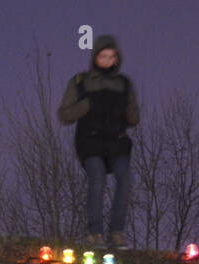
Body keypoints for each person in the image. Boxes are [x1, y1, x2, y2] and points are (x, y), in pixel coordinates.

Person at [58, 34, 139, 250]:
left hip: (117, 141)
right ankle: (95, 233)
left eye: (111, 56)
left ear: (117, 58)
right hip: (90, 140)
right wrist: (89, 104)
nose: (107, 60)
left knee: (125, 178)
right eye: (103, 55)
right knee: (97, 177)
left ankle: (117, 233)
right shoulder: (81, 82)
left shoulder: (124, 84)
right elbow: (64, 115)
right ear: (95, 57)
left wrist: (127, 108)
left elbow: (134, 119)